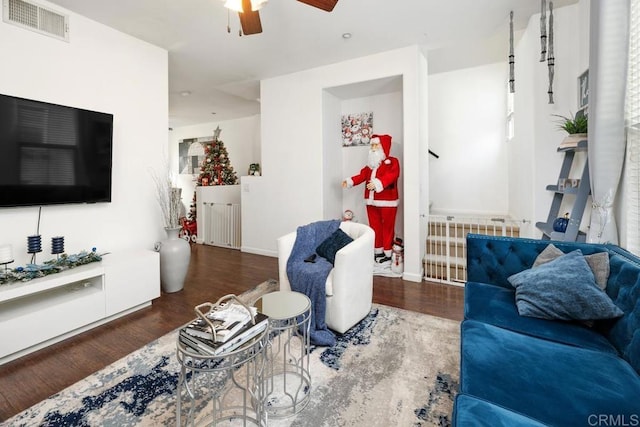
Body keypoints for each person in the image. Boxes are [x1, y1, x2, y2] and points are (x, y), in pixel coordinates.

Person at [342, 134, 400, 263]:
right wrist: (350, 181)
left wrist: (378, 183)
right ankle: (378, 251)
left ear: (383, 147)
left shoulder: (392, 162)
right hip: (371, 201)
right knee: (374, 226)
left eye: (376, 145)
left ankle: (388, 253)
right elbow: (361, 176)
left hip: (387, 202)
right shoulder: (370, 166)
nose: (373, 148)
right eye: (372, 145)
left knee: (387, 227)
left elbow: (392, 175)